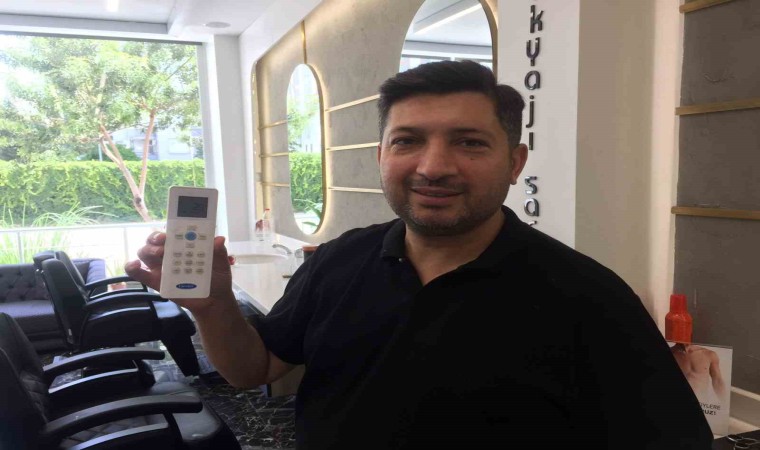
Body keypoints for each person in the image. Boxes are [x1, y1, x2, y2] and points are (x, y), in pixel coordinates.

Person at [127, 60, 713, 449]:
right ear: (382, 156)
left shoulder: (588, 296)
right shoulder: (338, 259)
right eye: (408, 141)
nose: (433, 167)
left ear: (515, 163)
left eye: (469, 142)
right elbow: (253, 370)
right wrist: (213, 306)